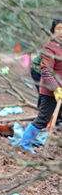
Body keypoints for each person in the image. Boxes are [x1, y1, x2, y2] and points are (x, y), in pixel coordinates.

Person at [20, 18, 62, 153]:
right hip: (51, 90)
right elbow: (46, 70)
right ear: (52, 31)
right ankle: (25, 145)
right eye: (59, 29)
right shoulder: (49, 48)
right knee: (43, 118)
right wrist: (56, 89)